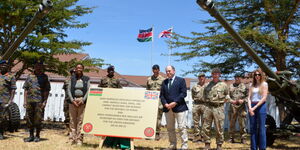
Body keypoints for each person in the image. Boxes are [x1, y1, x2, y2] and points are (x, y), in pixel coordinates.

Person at [99, 66, 130, 149]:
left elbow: (120, 91)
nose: (111, 72)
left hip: (113, 104)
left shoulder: (116, 80)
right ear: (107, 71)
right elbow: (99, 89)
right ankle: (106, 140)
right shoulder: (103, 79)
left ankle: (113, 140)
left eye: (113, 71)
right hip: (104, 103)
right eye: (110, 70)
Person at [160, 65, 188, 150]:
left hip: (179, 108)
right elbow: (162, 95)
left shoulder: (181, 80)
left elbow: (183, 93)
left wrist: (175, 102)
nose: (168, 73)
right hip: (168, 108)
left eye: (169, 71)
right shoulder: (164, 82)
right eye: (166, 71)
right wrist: (165, 104)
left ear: (174, 71)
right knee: (170, 128)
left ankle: (184, 146)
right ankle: (173, 145)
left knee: (181, 127)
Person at [23, 61, 51, 142]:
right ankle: (31, 136)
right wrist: (25, 101)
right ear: (34, 67)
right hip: (29, 101)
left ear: (42, 67)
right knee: (29, 119)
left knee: (38, 119)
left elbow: (47, 90)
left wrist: (45, 101)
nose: (38, 67)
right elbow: (26, 89)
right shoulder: (29, 76)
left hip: (39, 102)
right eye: (36, 66)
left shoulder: (45, 77)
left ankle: (37, 136)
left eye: (40, 66)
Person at [202, 68, 229, 150]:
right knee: (206, 126)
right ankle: (207, 144)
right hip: (208, 107)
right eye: (214, 73)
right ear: (212, 74)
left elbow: (227, 96)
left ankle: (219, 144)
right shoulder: (207, 85)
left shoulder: (223, 85)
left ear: (219, 74)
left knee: (219, 127)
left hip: (218, 107)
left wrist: (221, 102)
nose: (215, 75)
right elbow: (204, 96)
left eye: (217, 73)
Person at [67, 64, 90, 145]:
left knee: (80, 121)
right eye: (77, 68)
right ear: (75, 69)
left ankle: (79, 139)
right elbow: (68, 90)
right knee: (72, 121)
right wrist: (72, 100)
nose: (79, 69)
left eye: (80, 68)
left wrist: (83, 100)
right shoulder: (72, 78)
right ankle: (72, 139)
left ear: (83, 69)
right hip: (73, 101)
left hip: (82, 101)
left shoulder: (87, 79)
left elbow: (88, 90)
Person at [247, 69, 268, 150]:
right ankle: (253, 147)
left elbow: (264, 98)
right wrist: (250, 108)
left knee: (262, 128)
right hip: (252, 105)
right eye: (255, 75)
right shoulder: (251, 85)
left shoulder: (264, 84)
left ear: (261, 75)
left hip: (261, 106)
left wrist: (254, 108)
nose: (257, 76)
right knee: (253, 128)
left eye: (259, 74)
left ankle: (262, 148)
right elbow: (249, 97)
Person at [146, 64, 165, 141]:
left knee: (158, 118)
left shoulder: (163, 80)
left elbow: (165, 91)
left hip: (159, 101)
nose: (155, 70)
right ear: (152, 70)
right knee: (150, 117)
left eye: (156, 69)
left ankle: (157, 133)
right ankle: (149, 133)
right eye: (154, 69)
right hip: (151, 101)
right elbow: (147, 90)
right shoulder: (149, 79)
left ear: (159, 70)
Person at [228, 73, 248, 144]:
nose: (237, 78)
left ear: (241, 78)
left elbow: (248, 96)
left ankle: (243, 138)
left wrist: (243, 100)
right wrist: (231, 101)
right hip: (232, 108)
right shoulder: (230, 86)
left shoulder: (245, 87)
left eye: (238, 77)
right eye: (235, 77)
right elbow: (227, 96)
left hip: (241, 107)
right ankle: (231, 138)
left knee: (242, 124)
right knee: (231, 123)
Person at [0, 60, 16, 140]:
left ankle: (1, 133)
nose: (3, 66)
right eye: (2, 64)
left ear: (8, 67)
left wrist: (10, 101)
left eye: (5, 65)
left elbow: (13, 89)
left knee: (2, 118)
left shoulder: (11, 77)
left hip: (4, 100)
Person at [191, 73, 207, 142]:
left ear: (205, 78)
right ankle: (197, 136)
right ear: (198, 78)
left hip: (205, 105)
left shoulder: (208, 86)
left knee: (205, 121)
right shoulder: (195, 86)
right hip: (196, 104)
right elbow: (192, 96)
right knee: (196, 121)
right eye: (200, 77)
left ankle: (203, 136)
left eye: (203, 76)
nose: (201, 78)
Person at [62, 68, 74, 139]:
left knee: (75, 116)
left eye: (74, 72)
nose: (73, 73)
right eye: (72, 72)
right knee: (66, 115)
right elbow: (64, 89)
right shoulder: (66, 80)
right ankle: (68, 129)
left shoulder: (79, 80)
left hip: (75, 101)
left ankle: (73, 131)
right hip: (67, 100)